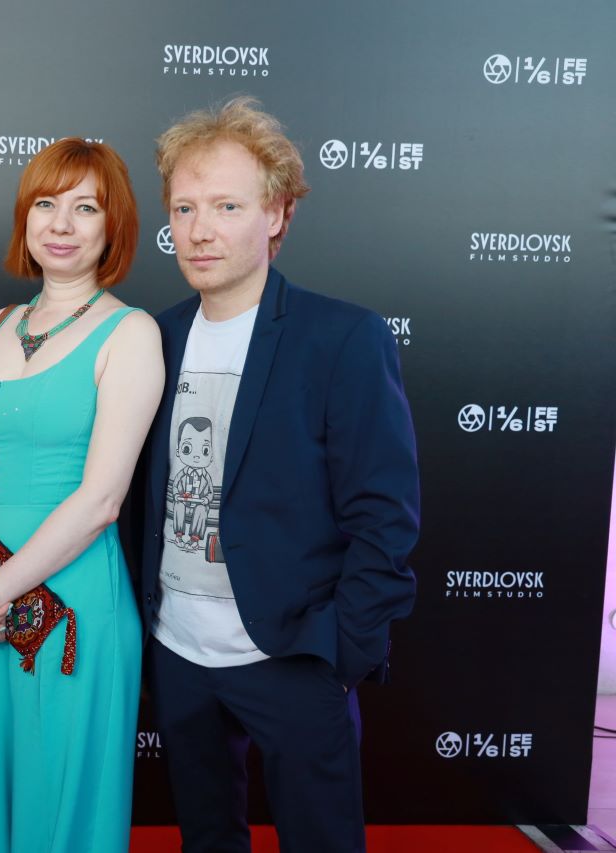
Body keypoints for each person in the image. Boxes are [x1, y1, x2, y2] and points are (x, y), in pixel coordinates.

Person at [137, 96, 420, 853]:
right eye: (185, 208)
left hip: (294, 653)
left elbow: (384, 516)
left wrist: (339, 653)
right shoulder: (153, 336)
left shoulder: (344, 337)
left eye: (227, 206)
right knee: (207, 838)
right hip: (177, 652)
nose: (199, 230)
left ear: (277, 214)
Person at [0, 138, 163, 853]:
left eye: (85, 207)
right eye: (46, 204)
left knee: (62, 797)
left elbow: (101, 500)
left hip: (69, 605)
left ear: (113, 227)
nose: (61, 223)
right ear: (25, 218)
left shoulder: (131, 333)